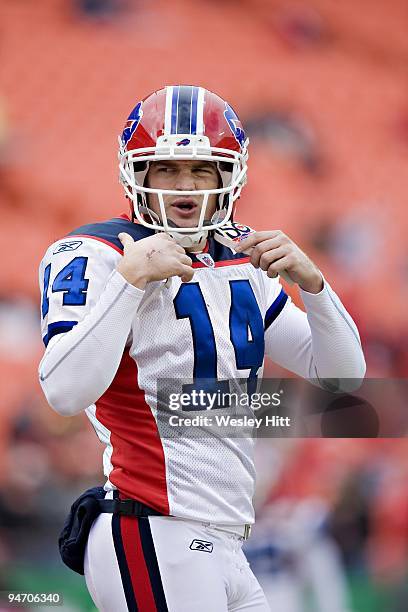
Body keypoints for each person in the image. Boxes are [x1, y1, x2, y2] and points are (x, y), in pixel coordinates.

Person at [38, 85, 366, 612]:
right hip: (150, 524)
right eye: (166, 169)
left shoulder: (240, 262)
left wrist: (315, 286)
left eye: (202, 169)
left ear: (228, 176)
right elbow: (64, 391)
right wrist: (130, 280)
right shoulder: (96, 252)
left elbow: (343, 376)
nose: (184, 186)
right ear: (136, 173)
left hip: (227, 537)